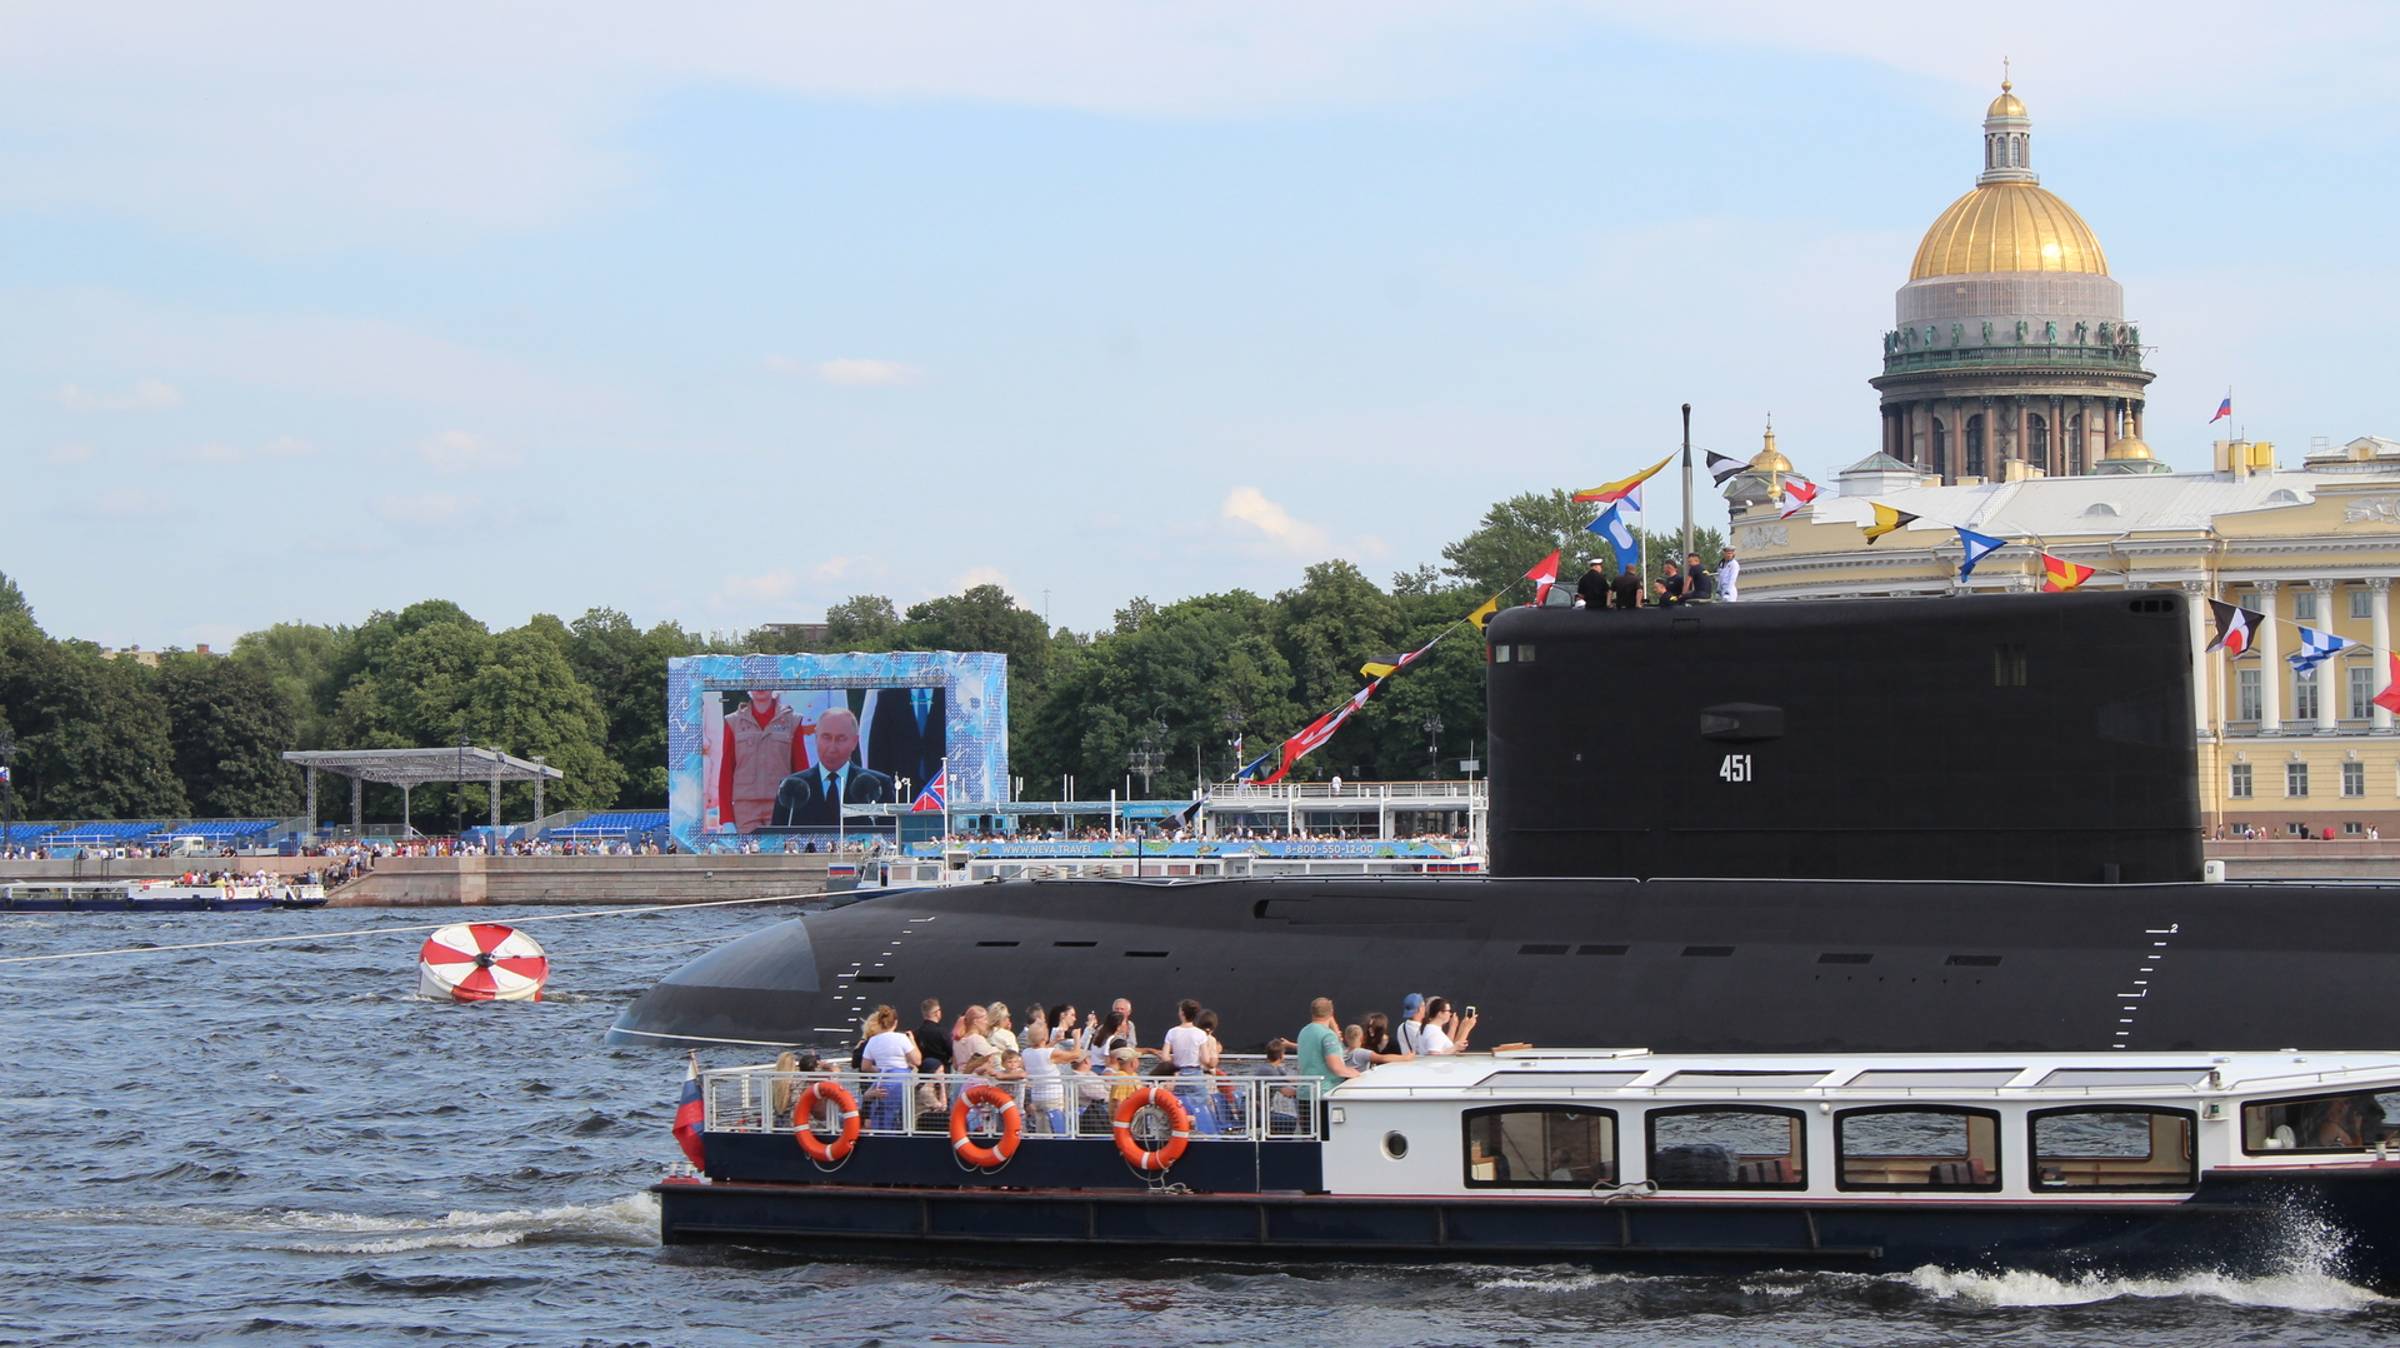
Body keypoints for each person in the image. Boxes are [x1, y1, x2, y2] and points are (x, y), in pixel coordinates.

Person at [770, 708, 893, 826]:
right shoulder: (791, 788)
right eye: (826, 737)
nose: (832, 747)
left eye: (841, 739)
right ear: (816, 737)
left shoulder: (877, 785)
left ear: (855, 742)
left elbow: (893, 838)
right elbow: (775, 840)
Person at [714, 690, 812, 832]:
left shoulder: (792, 720)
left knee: (779, 853)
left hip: (781, 805)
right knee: (747, 853)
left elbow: (801, 772)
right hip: (745, 809)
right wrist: (727, 818)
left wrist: (803, 812)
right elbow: (726, 772)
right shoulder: (733, 721)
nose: (760, 687)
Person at [864, 685, 945, 794]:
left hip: (944, 790)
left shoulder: (952, 695)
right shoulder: (888, 697)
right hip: (899, 792)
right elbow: (877, 751)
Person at [860, 1005, 922, 1131]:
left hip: (883, 1081)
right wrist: (913, 1041)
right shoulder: (902, 1038)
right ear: (896, 1022)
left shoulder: (873, 1041)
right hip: (903, 1082)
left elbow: (865, 1066)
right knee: (905, 1115)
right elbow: (917, 1060)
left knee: (884, 1114)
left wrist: (880, 1069)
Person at [1297, 998, 1360, 1121]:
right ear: (1331, 1013)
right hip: (1325, 1094)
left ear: (1312, 1012)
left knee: (1311, 1137)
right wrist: (1353, 1073)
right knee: (1327, 1137)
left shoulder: (1304, 1032)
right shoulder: (1328, 1035)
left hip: (1304, 1094)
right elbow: (1336, 1067)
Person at [1163, 999, 1219, 1135]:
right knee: (1204, 1106)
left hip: (1179, 1075)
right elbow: (1206, 1060)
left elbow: (1165, 1057)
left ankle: (1180, 1134)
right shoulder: (1200, 1034)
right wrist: (1214, 1059)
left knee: (1180, 1107)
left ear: (1182, 1013)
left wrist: (1176, 1059)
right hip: (1196, 1076)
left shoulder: (1172, 1032)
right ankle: (1209, 1133)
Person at [1259, 1039, 1302, 1135]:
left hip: (1265, 1109)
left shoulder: (1275, 1068)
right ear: (1281, 1056)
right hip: (1258, 1110)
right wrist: (1305, 1091)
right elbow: (1286, 1092)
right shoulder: (1269, 1071)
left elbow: (1289, 1079)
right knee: (1290, 1121)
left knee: (1290, 1120)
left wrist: (1304, 1081)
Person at [913, 998, 953, 1074]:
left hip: (923, 1074)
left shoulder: (916, 1033)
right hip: (942, 1075)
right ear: (936, 1013)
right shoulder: (942, 1032)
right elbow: (951, 1051)